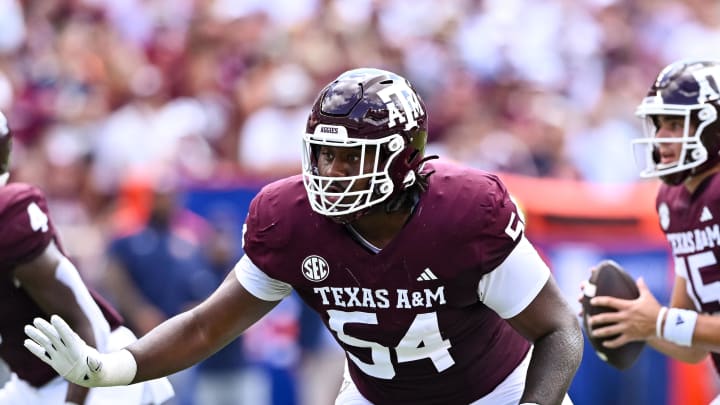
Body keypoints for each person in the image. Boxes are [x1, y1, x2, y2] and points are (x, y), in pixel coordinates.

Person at [24, 68, 583, 405]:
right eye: (323, 154)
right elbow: (204, 326)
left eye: (349, 158)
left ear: (403, 160)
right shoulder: (289, 219)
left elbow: (559, 329)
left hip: (497, 392)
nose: (330, 173)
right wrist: (110, 368)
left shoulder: (464, 212)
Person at [0, 111, 174, 404]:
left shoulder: (9, 221)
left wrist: (74, 401)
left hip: (94, 371)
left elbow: (83, 325)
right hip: (34, 383)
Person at [583, 60, 720, 402]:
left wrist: (658, 321)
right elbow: (693, 346)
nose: (661, 138)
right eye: (659, 125)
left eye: (675, 124)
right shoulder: (673, 201)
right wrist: (636, 320)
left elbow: (672, 323)